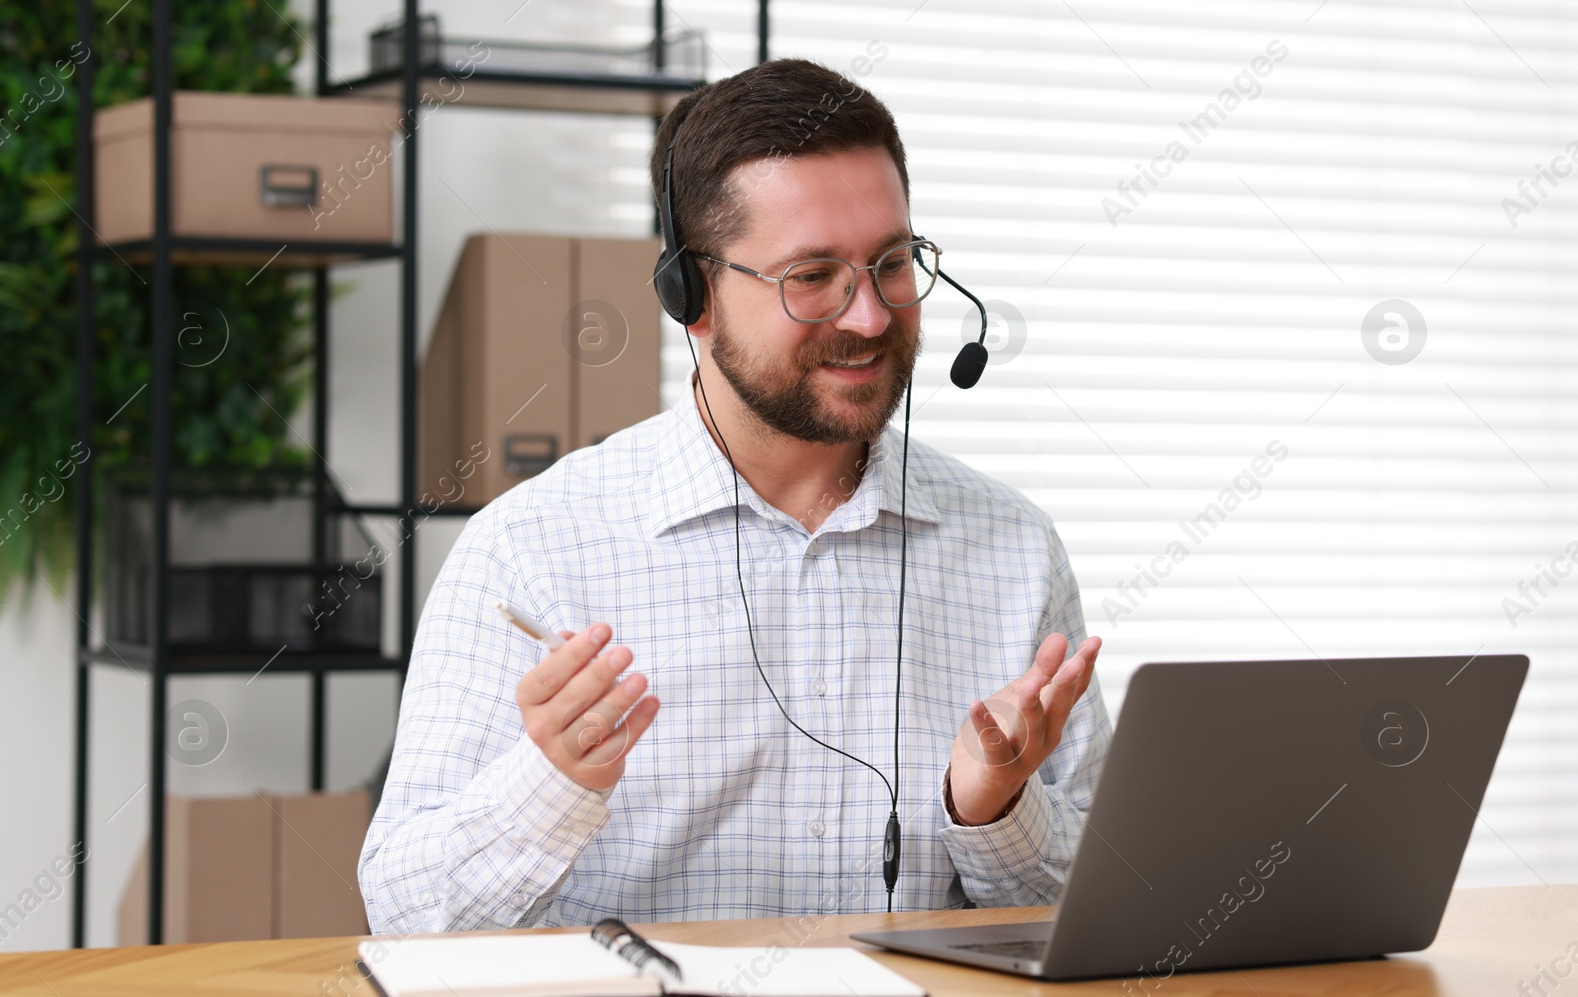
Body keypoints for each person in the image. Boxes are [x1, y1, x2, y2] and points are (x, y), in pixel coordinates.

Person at [359, 58, 1108, 933]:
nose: (868, 315)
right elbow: (402, 913)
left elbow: (1104, 912)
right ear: (693, 295)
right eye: (812, 275)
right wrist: (551, 782)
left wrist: (995, 810)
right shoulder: (531, 548)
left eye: (892, 262)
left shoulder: (1015, 548)